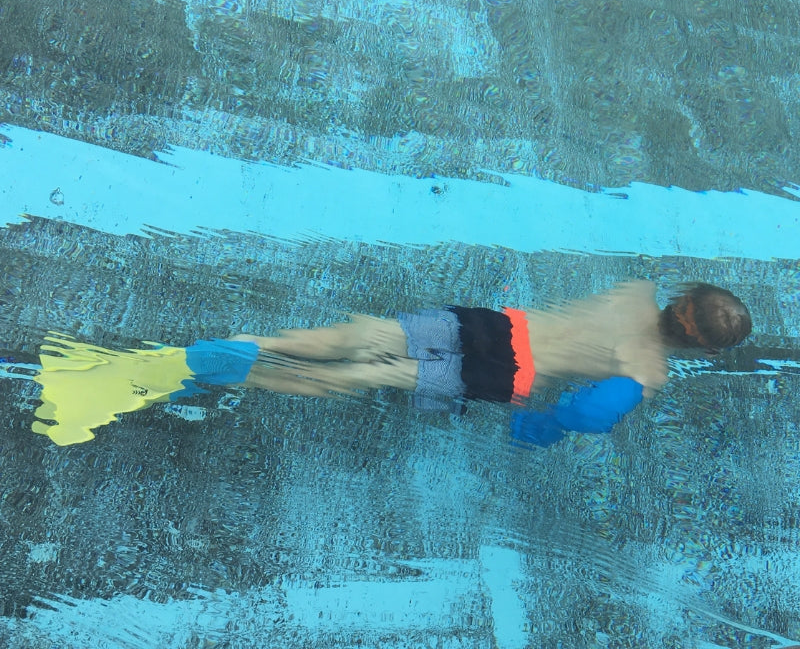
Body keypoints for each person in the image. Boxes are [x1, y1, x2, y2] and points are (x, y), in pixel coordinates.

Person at [30, 281, 751, 446]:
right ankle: (237, 369)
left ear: (682, 294)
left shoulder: (634, 291)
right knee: (355, 383)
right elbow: (592, 412)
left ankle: (259, 343)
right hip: (497, 378)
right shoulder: (649, 369)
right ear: (699, 346)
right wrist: (539, 430)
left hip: (489, 324)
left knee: (351, 336)